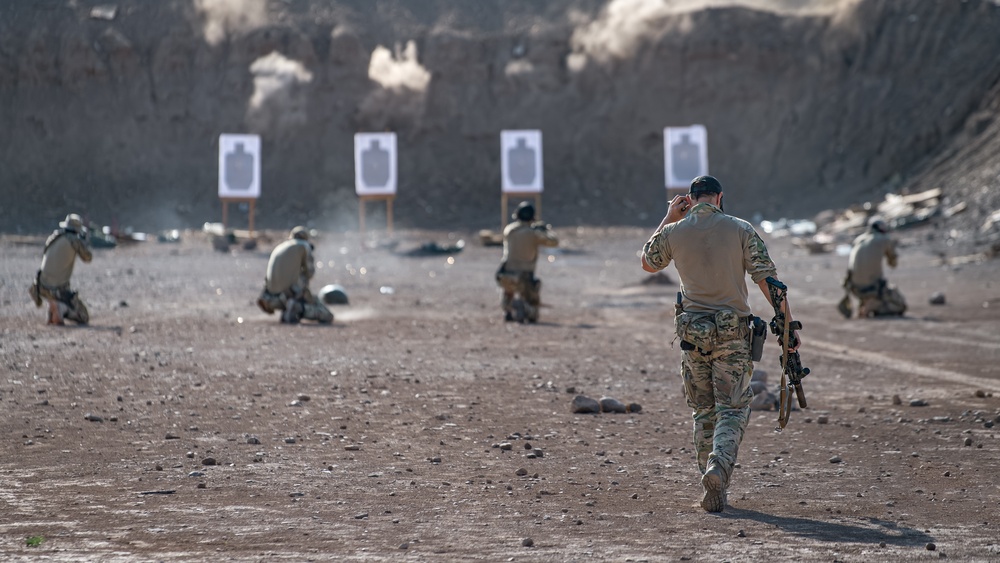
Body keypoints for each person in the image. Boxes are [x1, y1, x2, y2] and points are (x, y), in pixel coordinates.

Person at [640, 175, 799, 513]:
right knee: (734, 408)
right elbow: (769, 281)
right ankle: (719, 466)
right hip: (732, 336)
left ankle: (711, 486)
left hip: (693, 338)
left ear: (691, 200)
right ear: (719, 197)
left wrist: (670, 217)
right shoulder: (740, 229)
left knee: (703, 411)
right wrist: (786, 326)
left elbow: (648, 262)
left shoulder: (672, 232)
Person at [495, 201, 559, 323]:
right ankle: (527, 309)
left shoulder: (510, 230)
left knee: (508, 290)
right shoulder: (534, 233)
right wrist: (544, 230)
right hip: (526, 276)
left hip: (506, 274)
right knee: (532, 299)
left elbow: (518, 230)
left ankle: (508, 309)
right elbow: (554, 242)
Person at [256, 226, 333, 324]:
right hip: (289, 293)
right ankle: (298, 308)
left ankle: (286, 308)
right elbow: (310, 273)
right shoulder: (304, 245)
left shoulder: (280, 247)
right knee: (327, 315)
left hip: (270, 295)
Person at [28, 213, 93, 325]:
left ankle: (53, 308)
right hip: (57, 289)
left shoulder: (53, 237)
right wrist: (84, 243)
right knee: (84, 317)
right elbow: (88, 258)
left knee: (56, 292)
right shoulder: (74, 240)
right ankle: (60, 308)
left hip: (40, 286)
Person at [838, 218, 906, 318]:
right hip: (872, 287)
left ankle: (866, 303)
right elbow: (893, 263)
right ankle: (871, 304)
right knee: (899, 304)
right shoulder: (885, 239)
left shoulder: (859, 239)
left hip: (854, 287)